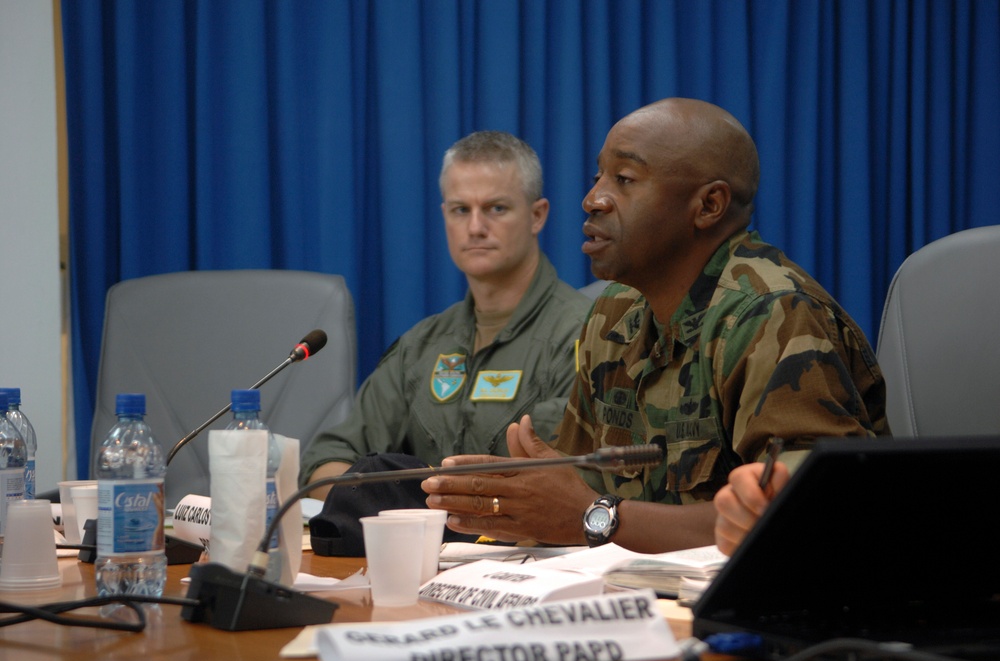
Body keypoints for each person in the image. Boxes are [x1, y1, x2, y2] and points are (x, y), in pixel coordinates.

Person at [421, 98, 888, 553]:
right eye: (597, 176)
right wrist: (538, 499)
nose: (592, 199)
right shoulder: (613, 314)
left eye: (623, 179)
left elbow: (811, 517)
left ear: (708, 206)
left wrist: (593, 514)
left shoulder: (772, 315)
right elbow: (578, 496)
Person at [300, 131, 592, 499]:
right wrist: (391, 513)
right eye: (460, 210)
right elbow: (325, 462)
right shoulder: (421, 346)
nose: (475, 227)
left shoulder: (585, 336)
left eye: (495, 208)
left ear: (537, 215)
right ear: (444, 216)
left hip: (533, 553)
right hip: (421, 548)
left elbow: (569, 484)